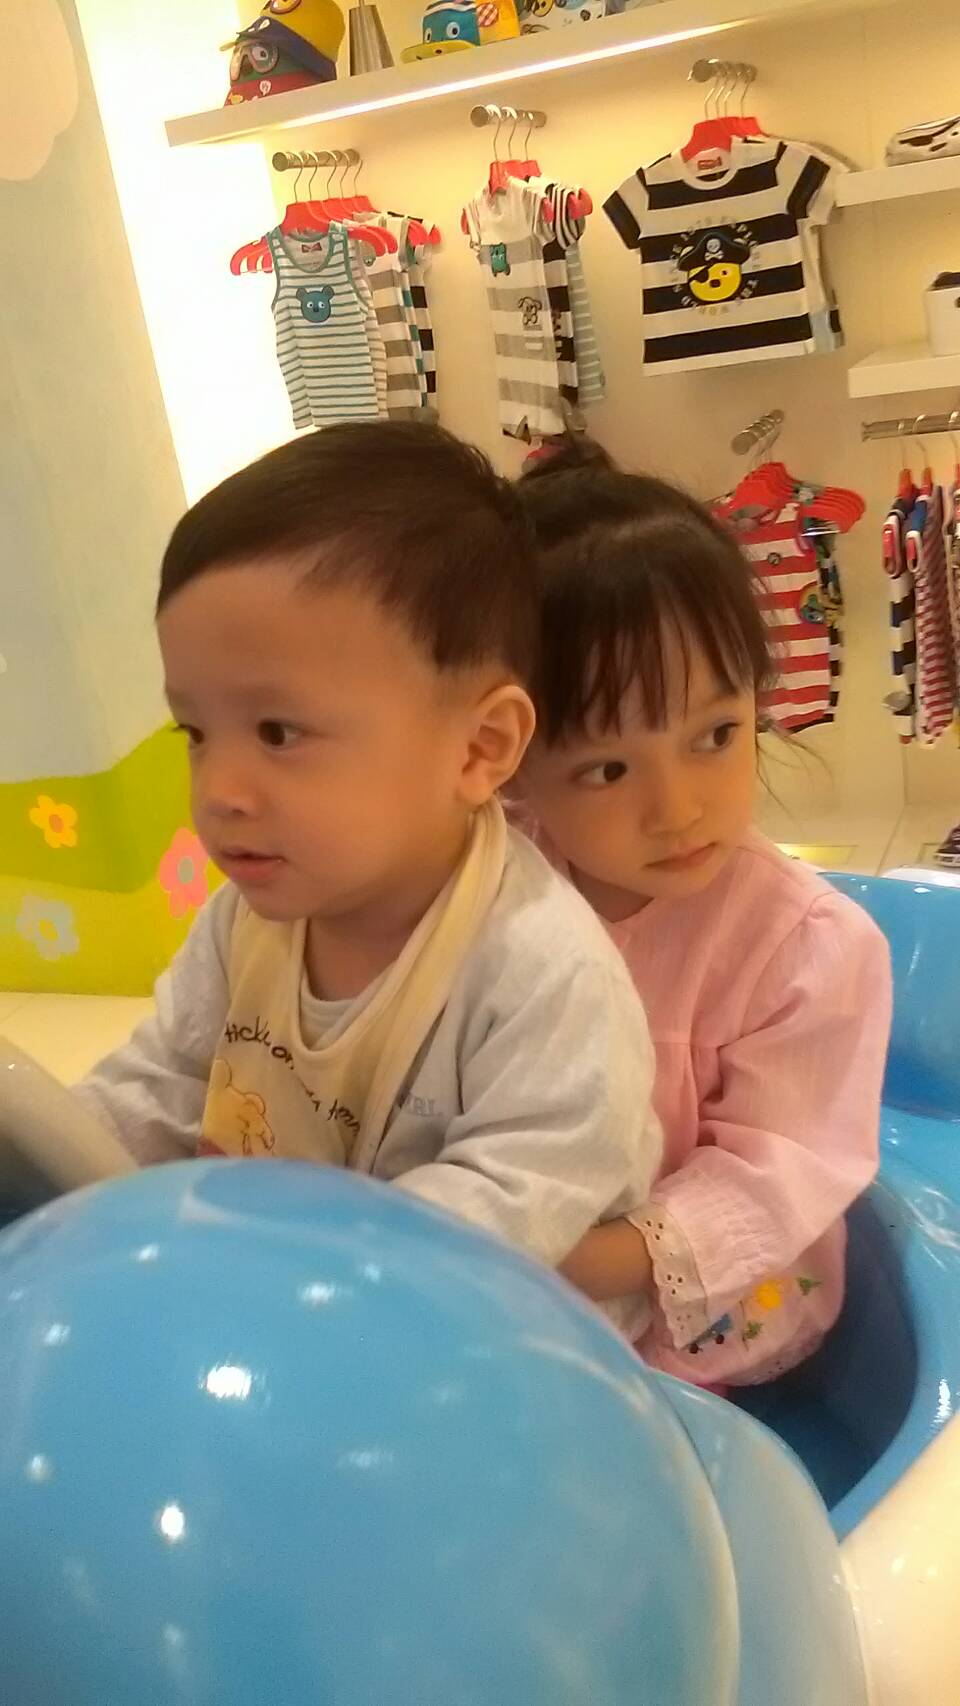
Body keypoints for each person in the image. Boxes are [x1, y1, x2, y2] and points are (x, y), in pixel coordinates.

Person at [76, 422, 661, 1337]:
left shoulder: (542, 972)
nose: (219, 790)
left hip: (489, 1345)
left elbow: (514, 1201)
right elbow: (161, 1084)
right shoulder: (244, 923)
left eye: (277, 733)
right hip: (290, 1307)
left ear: (480, 748)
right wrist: (57, 1167)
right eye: (196, 733)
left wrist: (296, 1286)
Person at [514, 438, 892, 1385]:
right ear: (511, 763)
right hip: (527, 1268)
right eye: (608, 767)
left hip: (713, 1312)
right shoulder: (496, 886)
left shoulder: (806, 947)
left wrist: (563, 1261)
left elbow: (775, 1176)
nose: (678, 809)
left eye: (715, 734)